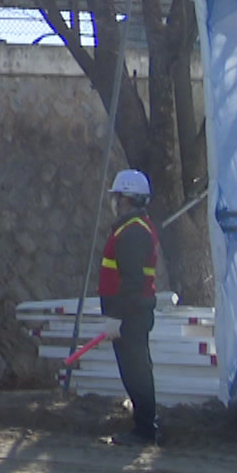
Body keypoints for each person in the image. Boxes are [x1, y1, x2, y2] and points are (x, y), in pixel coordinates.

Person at [99, 168, 160, 446]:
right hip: (131, 314)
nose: (114, 202)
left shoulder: (133, 232)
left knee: (136, 372)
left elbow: (132, 281)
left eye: (117, 197)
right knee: (134, 371)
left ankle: (145, 429)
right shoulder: (131, 229)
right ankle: (144, 425)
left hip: (131, 316)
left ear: (125, 198)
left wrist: (116, 316)